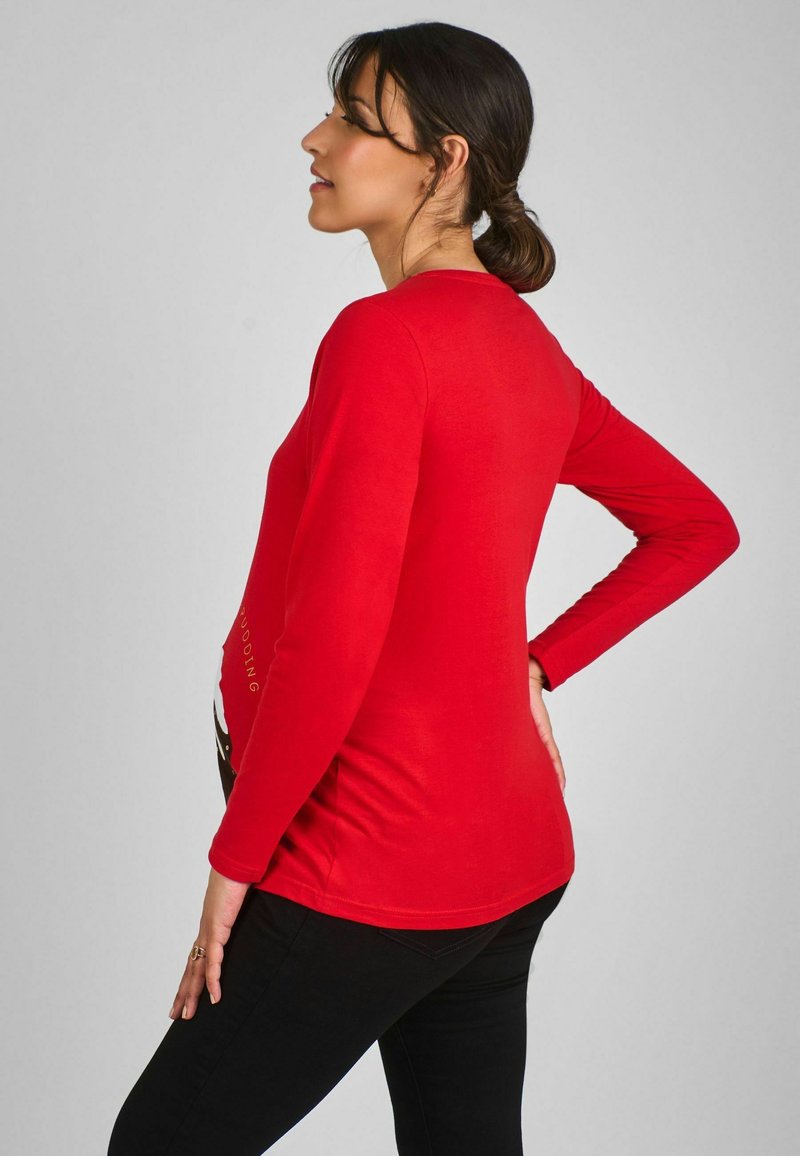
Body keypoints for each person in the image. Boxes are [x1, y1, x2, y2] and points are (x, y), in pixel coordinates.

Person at [107, 20, 740, 1156]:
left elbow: (333, 635)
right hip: (511, 857)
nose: (316, 140)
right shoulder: (526, 348)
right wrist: (534, 663)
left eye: (353, 120)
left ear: (445, 160)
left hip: (363, 859)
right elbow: (698, 526)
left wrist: (234, 862)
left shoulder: (381, 340)